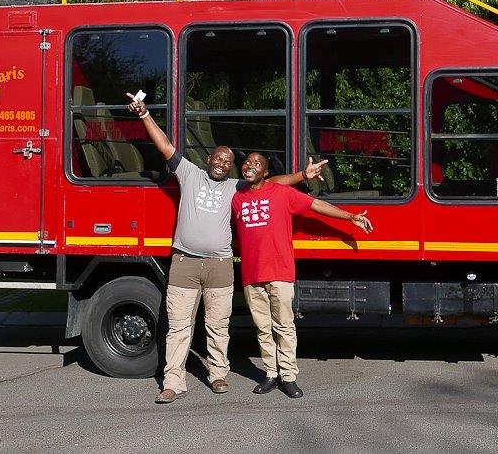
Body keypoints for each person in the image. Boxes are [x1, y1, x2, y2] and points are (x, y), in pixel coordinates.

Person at [127, 95, 326, 404]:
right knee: (178, 327)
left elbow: (272, 181)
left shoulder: (238, 187)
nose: (221, 163)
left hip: (221, 264)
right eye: (217, 158)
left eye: (227, 162)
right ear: (209, 159)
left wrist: (302, 176)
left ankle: (218, 375)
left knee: (219, 327)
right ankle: (173, 383)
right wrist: (144, 116)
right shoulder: (189, 173)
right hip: (185, 262)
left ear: (232, 168)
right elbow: (164, 144)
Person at [232, 151, 373, 399]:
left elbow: (316, 205)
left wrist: (350, 217)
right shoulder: (236, 197)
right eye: (247, 162)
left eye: (257, 163)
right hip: (251, 275)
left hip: (279, 272)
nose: (250, 165)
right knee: (263, 329)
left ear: (266, 173)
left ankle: (288, 377)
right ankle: (271, 374)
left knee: (284, 326)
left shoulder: (281, 192)